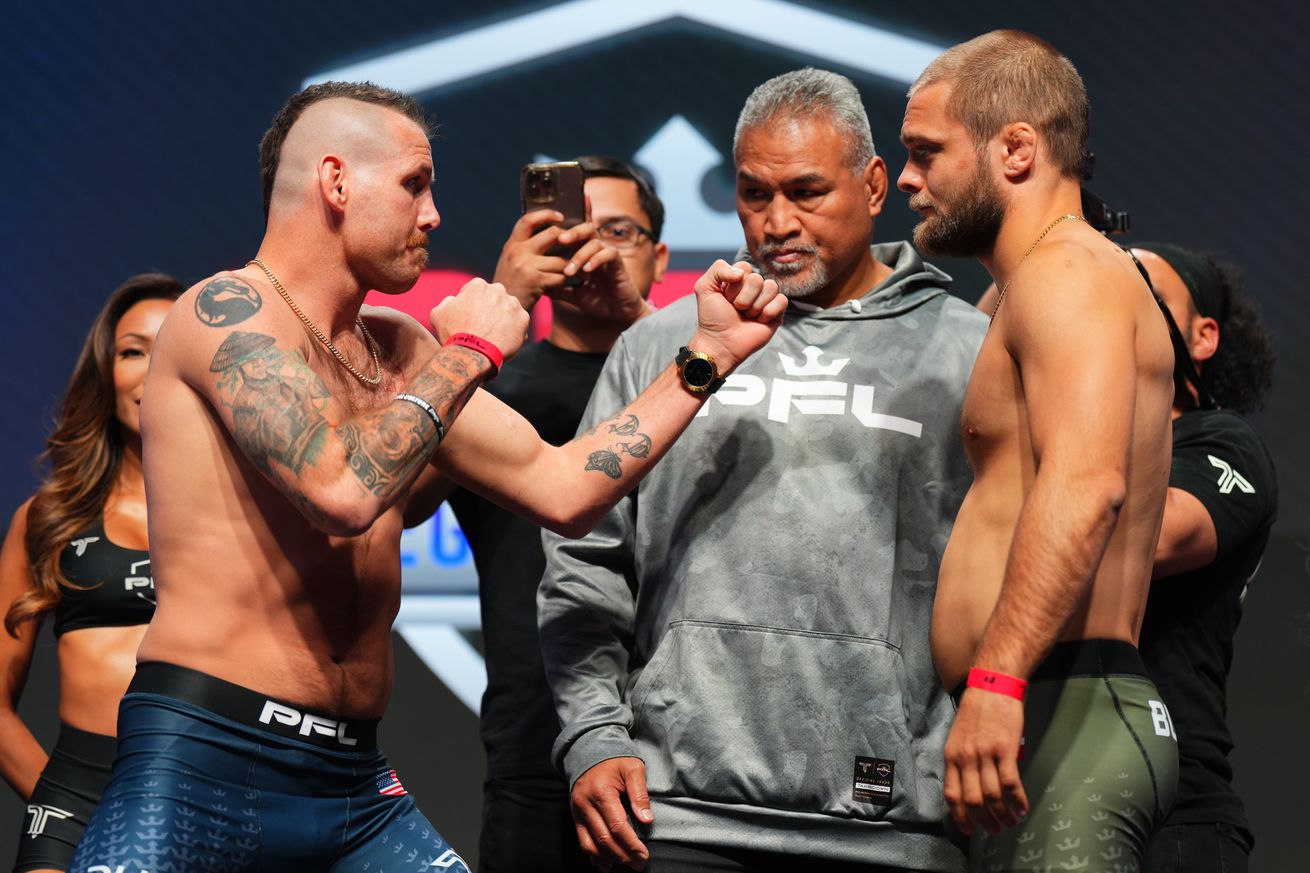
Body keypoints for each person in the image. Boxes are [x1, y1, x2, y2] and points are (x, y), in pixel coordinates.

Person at [65, 82, 787, 873]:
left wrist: (706, 354)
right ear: (336, 182)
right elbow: (341, 493)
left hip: (352, 785)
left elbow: (565, 488)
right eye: (415, 184)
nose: (435, 214)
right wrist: (471, 351)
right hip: (205, 762)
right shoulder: (225, 313)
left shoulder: (397, 347)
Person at [539, 68, 989, 873]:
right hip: (677, 816)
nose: (777, 222)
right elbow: (586, 556)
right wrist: (594, 734)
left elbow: (1015, 565)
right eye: (754, 194)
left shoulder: (967, 352)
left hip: (892, 823)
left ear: (874, 184)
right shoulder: (662, 346)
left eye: (807, 192)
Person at [897, 30, 1179, 871]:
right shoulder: (1020, 291)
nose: (906, 179)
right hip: (1040, 704)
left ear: (1016, 149)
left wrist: (996, 680)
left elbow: (1087, 485)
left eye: (926, 152)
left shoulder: (1068, 273)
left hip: (1063, 704)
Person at [403, 155, 668, 873]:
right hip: (536, 738)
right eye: (573, 229)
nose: (593, 249)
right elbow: (401, 501)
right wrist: (496, 316)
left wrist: (641, 325)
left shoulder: (693, 377)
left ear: (659, 257)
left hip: (690, 739)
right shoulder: (489, 387)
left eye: (619, 231)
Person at [0, 273, 181, 873]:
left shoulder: (253, 517)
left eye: (172, 348)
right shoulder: (48, 519)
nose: (153, 370)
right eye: (133, 352)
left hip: (205, 791)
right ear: (105, 372)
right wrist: (61, 804)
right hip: (79, 795)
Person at [1129, 244, 1276, 873]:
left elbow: (1150, 538)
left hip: (1179, 817)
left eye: (1145, 293)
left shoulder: (1223, 440)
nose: (1122, 306)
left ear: (1203, 335)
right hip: (1047, 786)